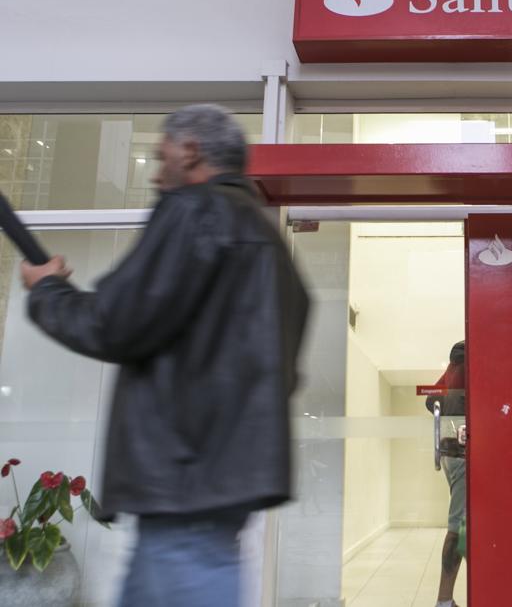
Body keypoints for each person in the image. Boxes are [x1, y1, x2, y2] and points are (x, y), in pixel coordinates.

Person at [20, 104, 310, 607]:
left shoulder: (196, 211)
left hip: (181, 476)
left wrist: (48, 290)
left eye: (161, 157)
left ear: (190, 151)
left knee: (185, 571)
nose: (156, 175)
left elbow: (115, 323)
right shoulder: (270, 245)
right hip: (220, 479)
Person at [425, 341, 467, 607]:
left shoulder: (451, 372)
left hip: (449, 454)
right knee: (458, 527)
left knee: (465, 525)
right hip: (463, 455)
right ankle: (444, 600)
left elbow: (430, 400)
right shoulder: (469, 368)